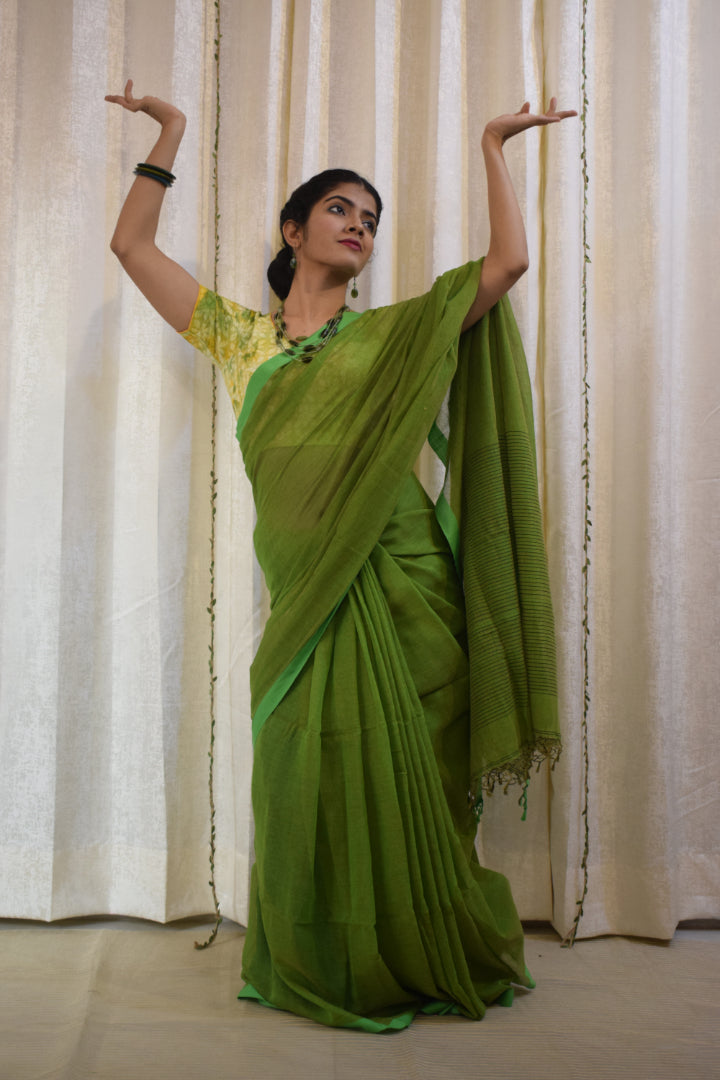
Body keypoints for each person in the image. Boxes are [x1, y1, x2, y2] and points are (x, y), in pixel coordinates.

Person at [106, 79, 575, 1032]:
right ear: (293, 231)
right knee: (300, 768)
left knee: (417, 782)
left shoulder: (390, 335)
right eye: (339, 209)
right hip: (307, 598)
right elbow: (132, 248)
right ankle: (320, 956)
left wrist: (494, 146)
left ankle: (414, 953)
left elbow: (509, 263)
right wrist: (171, 132)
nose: (359, 224)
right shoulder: (240, 340)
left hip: (409, 591)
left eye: (370, 218)